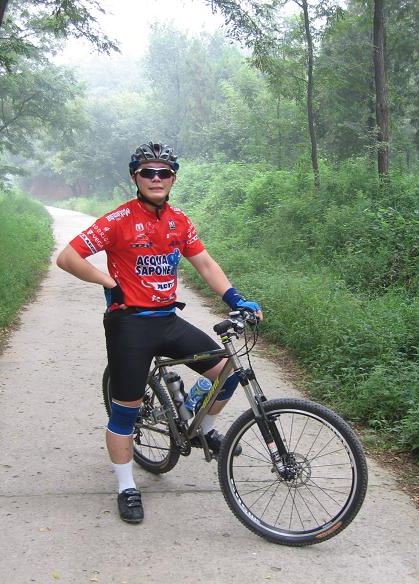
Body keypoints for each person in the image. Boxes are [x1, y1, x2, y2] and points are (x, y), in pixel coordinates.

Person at [56, 141, 262, 524]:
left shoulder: (179, 220)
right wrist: (109, 282)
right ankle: (126, 486)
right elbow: (67, 258)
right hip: (129, 325)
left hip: (167, 319)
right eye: (147, 172)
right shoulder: (118, 220)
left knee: (226, 370)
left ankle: (204, 429)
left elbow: (203, 261)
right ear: (135, 177)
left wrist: (236, 297)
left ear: (173, 178)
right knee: (125, 412)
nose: (156, 178)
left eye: (163, 172)